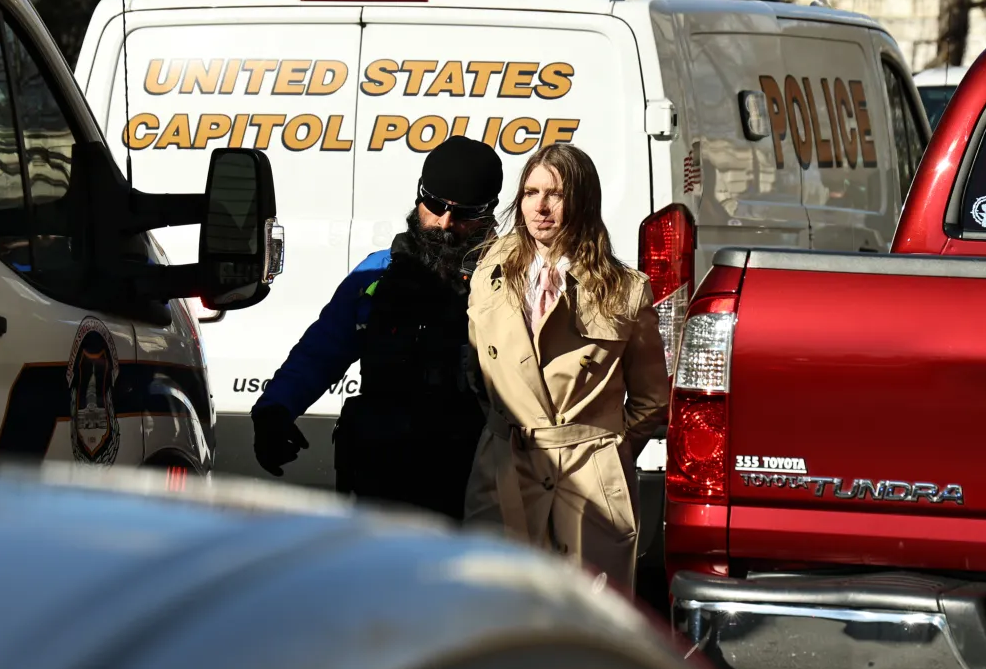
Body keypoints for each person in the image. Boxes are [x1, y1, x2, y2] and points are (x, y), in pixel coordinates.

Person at [250, 137, 504, 518]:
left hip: (469, 480)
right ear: (419, 197)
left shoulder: (504, 281)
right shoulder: (378, 272)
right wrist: (274, 410)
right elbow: (321, 350)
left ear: (488, 214)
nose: (445, 223)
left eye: (464, 214)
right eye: (435, 206)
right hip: (381, 476)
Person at [463, 143, 671, 592]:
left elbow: (654, 399)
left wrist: (603, 453)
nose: (540, 206)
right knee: (492, 612)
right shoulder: (489, 272)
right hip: (506, 467)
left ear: (581, 201)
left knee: (584, 621)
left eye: (554, 194)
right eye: (531, 192)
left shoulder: (627, 290)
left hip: (588, 478)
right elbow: (480, 372)